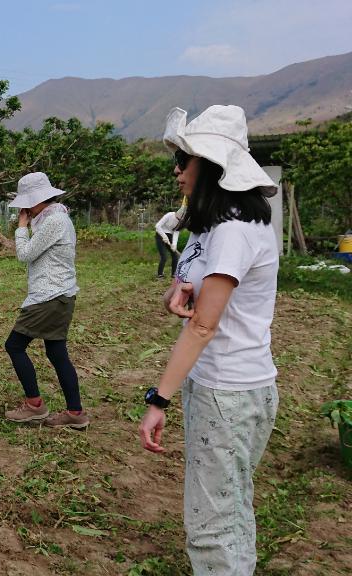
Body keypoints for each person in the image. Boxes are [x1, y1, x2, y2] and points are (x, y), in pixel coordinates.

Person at [138, 105, 279, 576]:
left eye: (185, 160)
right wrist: (175, 294)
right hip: (224, 388)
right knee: (229, 507)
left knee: (213, 527)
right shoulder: (216, 226)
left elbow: (203, 326)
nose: (177, 171)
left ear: (213, 167)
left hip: (228, 391)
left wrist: (158, 399)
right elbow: (192, 300)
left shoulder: (235, 230)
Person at [3, 172, 88, 429]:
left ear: (39, 200)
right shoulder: (53, 218)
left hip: (49, 296)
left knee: (14, 346)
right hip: (59, 295)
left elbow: (25, 254)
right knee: (56, 352)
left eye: (27, 204)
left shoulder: (54, 221)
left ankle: (34, 406)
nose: (25, 209)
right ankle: (75, 412)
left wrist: (20, 229)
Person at [154, 198, 187, 278]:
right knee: (164, 256)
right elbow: (157, 226)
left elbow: (176, 232)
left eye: (179, 220)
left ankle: (173, 274)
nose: (178, 220)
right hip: (160, 235)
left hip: (170, 236)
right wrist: (164, 236)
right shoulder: (169, 215)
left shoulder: (180, 222)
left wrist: (174, 245)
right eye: (177, 219)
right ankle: (160, 274)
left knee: (174, 255)